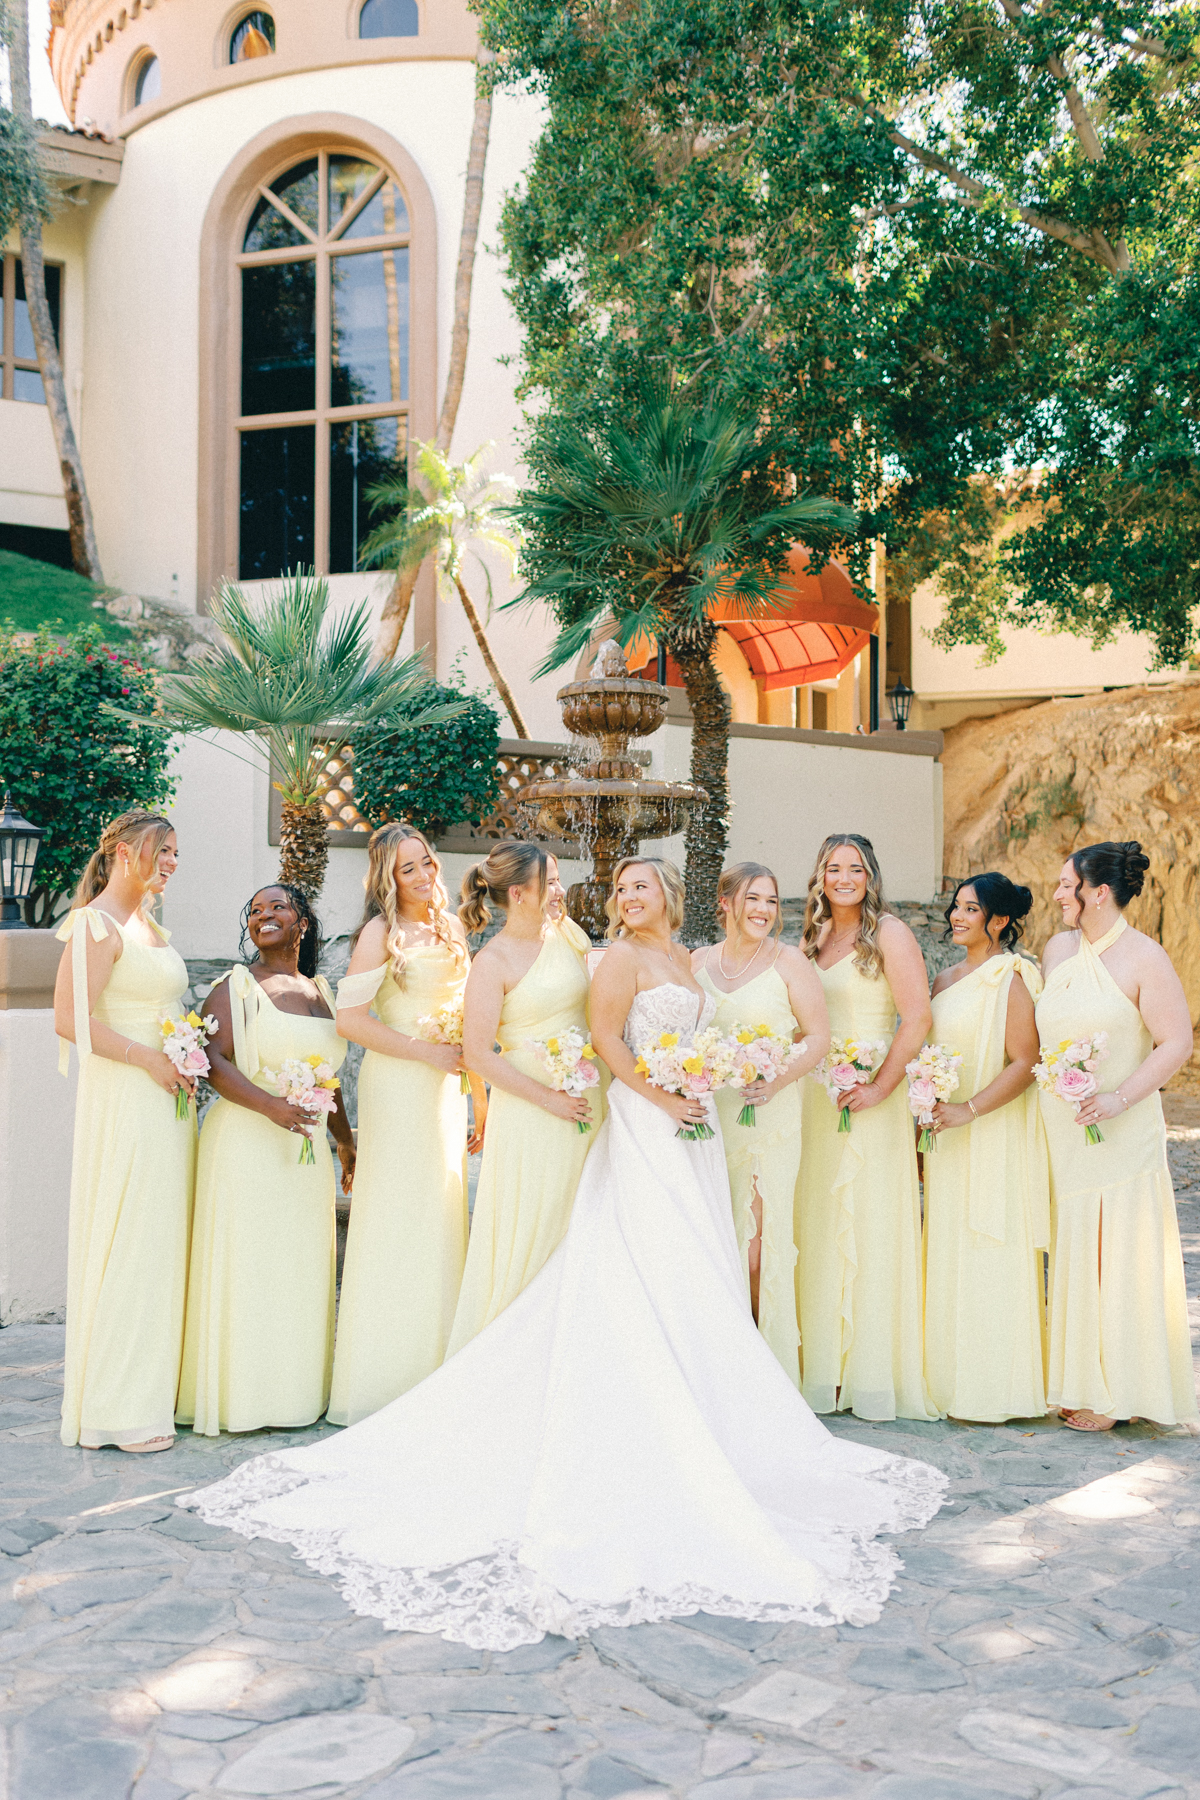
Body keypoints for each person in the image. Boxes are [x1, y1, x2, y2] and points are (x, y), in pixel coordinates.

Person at [180, 857, 946, 1650]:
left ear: (670, 898)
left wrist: (714, 1075)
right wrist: (663, 1096)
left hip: (696, 1127)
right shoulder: (612, 958)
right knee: (643, 1258)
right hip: (651, 1122)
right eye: (621, 888)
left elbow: (699, 1029)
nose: (627, 896)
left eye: (639, 885)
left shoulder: (683, 960)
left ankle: (708, 1400)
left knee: (696, 1264)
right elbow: (610, 1043)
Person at [176, 885, 355, 1436]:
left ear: (302, 922)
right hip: (246, 1144)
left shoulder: (321, 990)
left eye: (278, 906)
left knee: (298, 1268)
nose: (264, 916)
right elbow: (210, 1061)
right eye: (255, 910)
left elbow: (329, 1081)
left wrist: (346, 1141)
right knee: (249, 1265)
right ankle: (243, 1397)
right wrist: (270, 1107)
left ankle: (295, 1392)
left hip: (304, 1157)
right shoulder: (236, 987)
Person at [1037, 841, 1197, 1431]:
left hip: (1121, 1127)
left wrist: (1117, 1099)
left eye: (1064, 885)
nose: (1056, 895)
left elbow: (1176, 1043)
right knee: (1074, 1247)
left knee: (1116, 1251)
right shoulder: (1057, 949)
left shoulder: (1144, 957)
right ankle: (1078, 1377)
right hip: (1063, 1129)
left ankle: (1118, 1392)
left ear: (1097, 892)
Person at [329, 825, 479, 1426]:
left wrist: (479, 1097)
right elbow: (349, 1021)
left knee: (440, 1208)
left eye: (425, 863)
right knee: (397, 1212)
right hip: (400, 1085)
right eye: (406, 870)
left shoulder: (452, 927)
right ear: (386, 879)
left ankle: (438, 1364)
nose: (422, 877)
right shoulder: (379, 935)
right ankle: (382, 1375)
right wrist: (426, 1052)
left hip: (446, 1089)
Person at [54, 810, 195, 1452]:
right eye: (162, 850)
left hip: (167, 1098)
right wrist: (151, 1060)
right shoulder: (96, 924)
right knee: (131, 1234)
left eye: (174, 852)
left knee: (160, 1240)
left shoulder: (150, 925)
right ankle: (117, 1408)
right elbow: (70, 1021)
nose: (170, 861)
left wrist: (185, 1052)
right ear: (125, 851)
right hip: (129, 1098)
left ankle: (152, 1393)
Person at [795, 835, 938, 1421]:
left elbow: (918, 1016)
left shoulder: (892, 936)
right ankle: (822, 1365)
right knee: (819, 1220)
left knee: (867, 1224)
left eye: (855, 868)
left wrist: (880, 1086)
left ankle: (867, 1370)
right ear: (820, 876)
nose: (844, 876)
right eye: (833, 867)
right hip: (817, 1101)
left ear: (871, 875)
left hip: (870, 1098)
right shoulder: (812, 938)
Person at [445, 842, 599, 1356]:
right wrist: (547, 1099)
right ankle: (518, 1353)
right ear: (519, 893)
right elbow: (478, 1054)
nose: (560, 891)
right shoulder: (492, 962)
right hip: (532, 1113)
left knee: (584, 1223)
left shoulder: (570, 937)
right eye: (550, 881)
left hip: (585, 1103)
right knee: (536, 1226)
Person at [693, 862, 830, 1382]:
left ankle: (759, 1371)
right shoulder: (697, 962)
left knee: (756, 1249)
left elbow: (818, 1037)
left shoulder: (790, 962)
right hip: (711, 1120)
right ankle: (717, 1367)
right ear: (726, 903)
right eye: (753, 899)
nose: (764, 911)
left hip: (768, 1117)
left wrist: (775, 1081)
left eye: (772, 901)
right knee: (715, 1240)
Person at [923, 874, 1048, 1422]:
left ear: (998, 920)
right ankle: (945, 1380)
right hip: (944, 1138)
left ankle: (995, 1386)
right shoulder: (944, 979)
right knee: (947, 1245)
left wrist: (968, 1110)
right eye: (956, 906)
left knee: (989, 1244)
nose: (956, 915)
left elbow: (1025, 1061)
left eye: (970, 909)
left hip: (991, 1130)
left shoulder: (1012, 978)